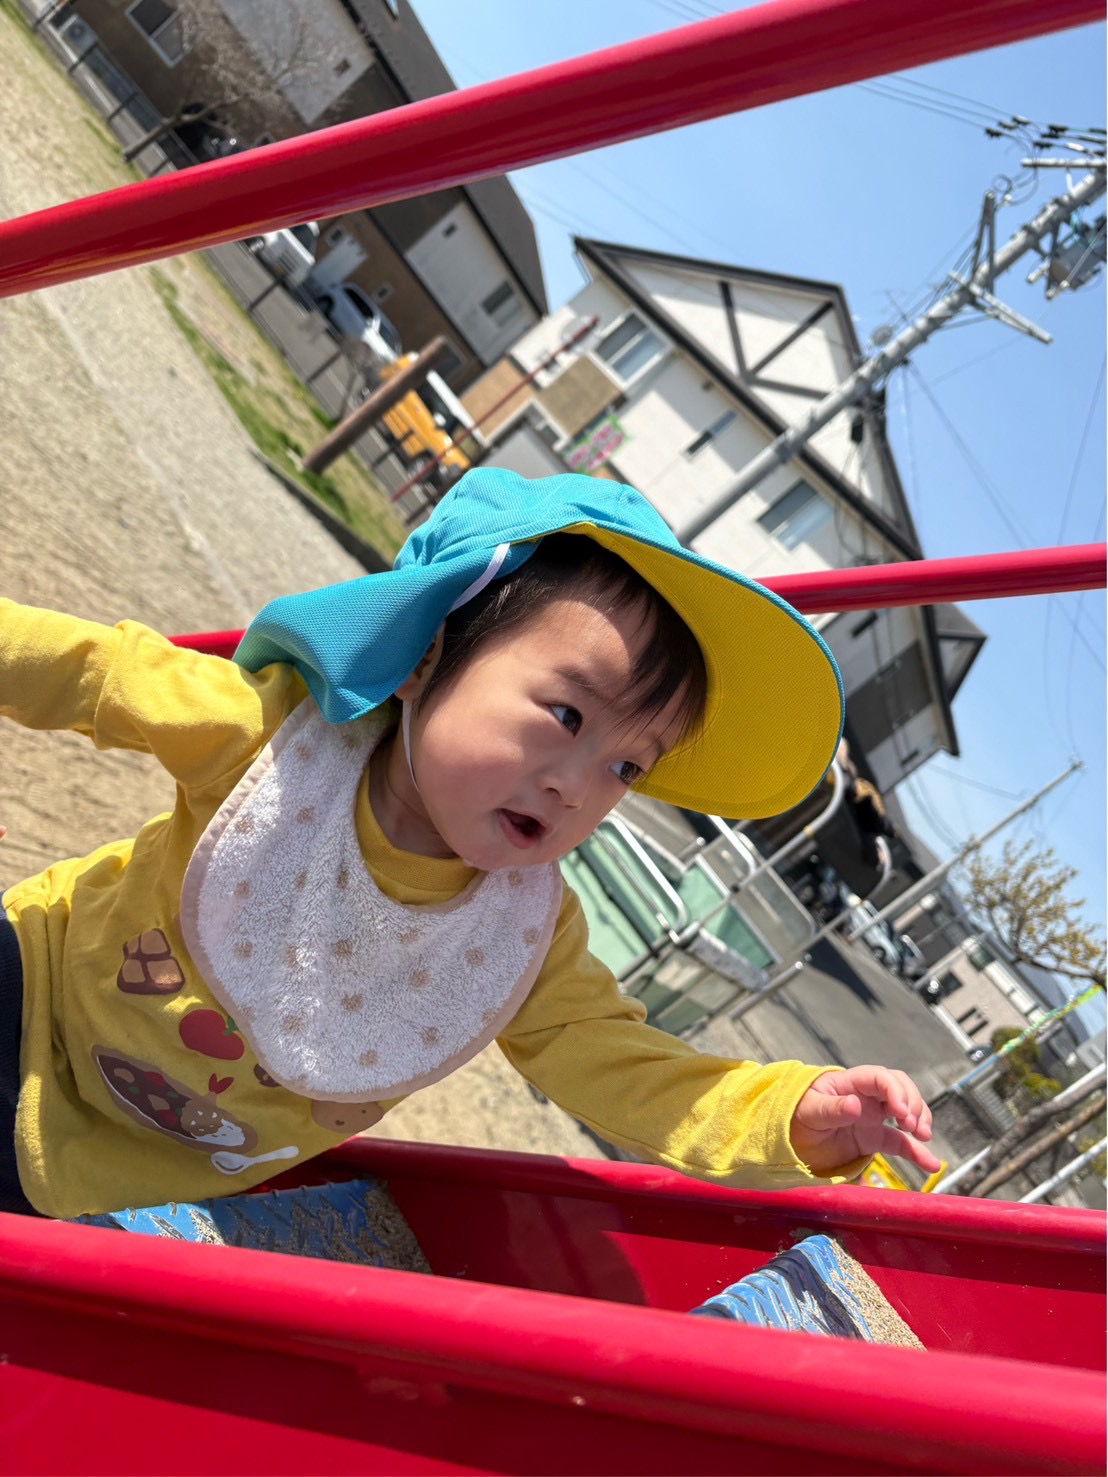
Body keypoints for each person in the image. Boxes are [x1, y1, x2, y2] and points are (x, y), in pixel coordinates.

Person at [0, 469, 938, 1219]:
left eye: (627, 767)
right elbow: (98, 672)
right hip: (34, 993)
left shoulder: (522, 937)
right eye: (566, 714)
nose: (576, 783)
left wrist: (791, 1114)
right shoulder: (277, 743)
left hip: (131, 1177)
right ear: (425, 654)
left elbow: (626, 1069)